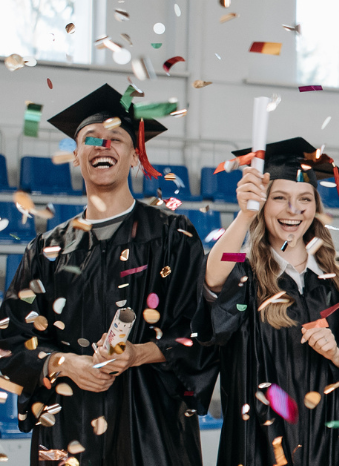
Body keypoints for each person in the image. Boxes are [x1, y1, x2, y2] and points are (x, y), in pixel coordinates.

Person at [0, 84, 210, 465]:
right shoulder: (47, 251)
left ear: (134, 156)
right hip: (67, 432)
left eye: (116, 138)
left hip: (153, 429)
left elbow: (199, 332)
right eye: (91, 139)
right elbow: (10, 341)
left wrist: (137, 354)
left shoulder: (172, 237)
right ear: (76, 156)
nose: (103, 145)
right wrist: (63, 364)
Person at [197, 137, 339, 465]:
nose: (293, 210)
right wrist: (242, 216)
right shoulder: (243, 271)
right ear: (263, 205)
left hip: (327, 445)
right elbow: (211, 281)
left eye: (304, 198)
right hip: (255, 447)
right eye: (279, 198)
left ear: (316, 208)